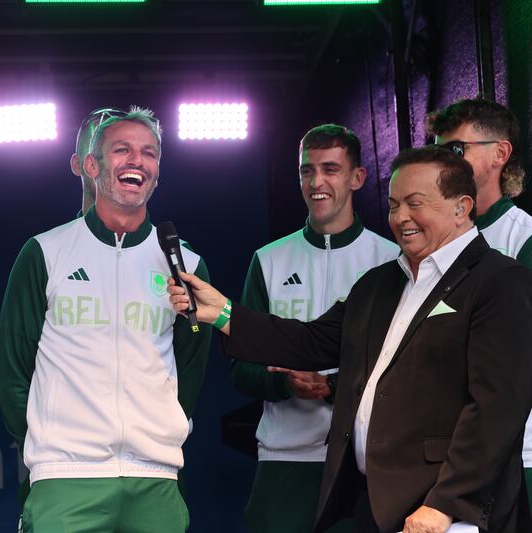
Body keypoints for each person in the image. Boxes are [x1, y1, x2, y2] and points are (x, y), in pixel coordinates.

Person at [169, 146, 532, 533]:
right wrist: (222, 311)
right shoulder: (379, 283)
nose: (400, 218)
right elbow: (309, 342)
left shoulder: (500, 280)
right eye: (393, 205)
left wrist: (445, 504)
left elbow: (497, 410)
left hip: (445, 515)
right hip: (373, 504)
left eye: (415, 203)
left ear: (461, 208)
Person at [0, 106, 211, 532]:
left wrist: (162, 432)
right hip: (65, 476)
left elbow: (191, 367)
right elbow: (13, 370)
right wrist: (49, 443)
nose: (137, 161)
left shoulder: (185, 263)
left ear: (157, 171)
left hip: (156, 477)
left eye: (149, 153)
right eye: (122, 150)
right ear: (92, 165)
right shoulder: (45, 252)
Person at [229, 124, 398, 533]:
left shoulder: (391, 259)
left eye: (330, 169)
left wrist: (334, 386)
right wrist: (285, 383)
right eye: (307, 170)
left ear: (357, 177)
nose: (316, 182)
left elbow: (402, 367)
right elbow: (239, 367)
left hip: (361, 462)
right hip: (283, 460)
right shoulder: (268, 260)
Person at [427, 98, 532, 506]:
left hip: (518, 460)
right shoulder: (428, 246)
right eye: (438, 151)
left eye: (456, 150)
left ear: (500, 155)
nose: (443, 162)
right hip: (445, 460)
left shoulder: (523, 240)